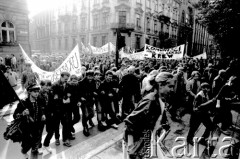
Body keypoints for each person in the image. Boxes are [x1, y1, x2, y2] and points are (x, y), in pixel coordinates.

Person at [123, 72, 174, 159]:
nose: (172, 89)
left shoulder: (161, 99)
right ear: (161, 85)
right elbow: (130, 121)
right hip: (139, 142)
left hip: (149, 139)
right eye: (170, 86)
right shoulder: (151, 101)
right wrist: (133, 147)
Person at [13, 83, 46, 159]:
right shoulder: (23, 103)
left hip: (38, 124)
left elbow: (42, 108)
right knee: (27, 143)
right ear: (29, 92)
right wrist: (23, 113)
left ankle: (36, 148)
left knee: (37, 138)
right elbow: (15, 115)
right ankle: (24, 151)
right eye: (34, 91)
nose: (37, 93)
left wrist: (43, 114)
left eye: (38, 91)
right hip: (27, 127)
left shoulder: (39, 100)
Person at [51, 72, 72, 147]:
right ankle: (57, 138)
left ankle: (65, 139)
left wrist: (68, 97)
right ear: (61, 77)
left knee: (65, 124)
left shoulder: (68, 84)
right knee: (56, 125)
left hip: (65, 108)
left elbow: (69, 94)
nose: (66, 80)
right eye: (65, 79)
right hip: (56, 108)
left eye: (67, 79)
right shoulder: (55, 85)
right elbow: (54, 97)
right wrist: (62, 100)